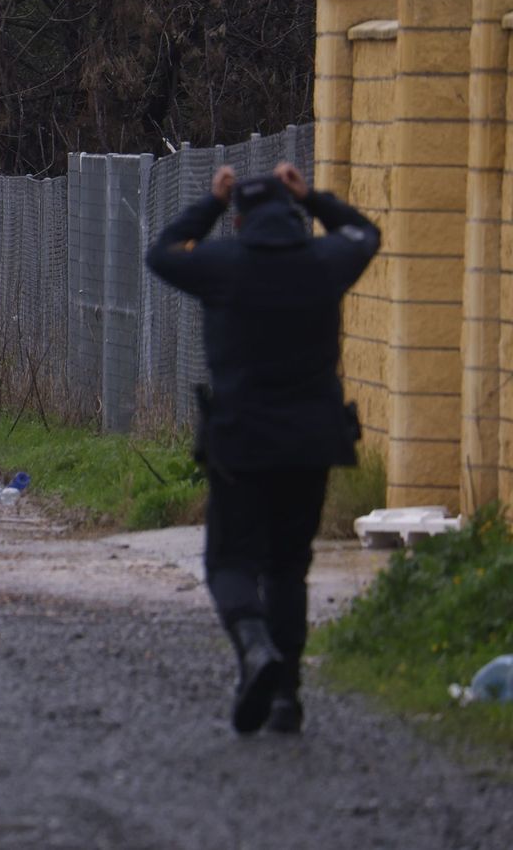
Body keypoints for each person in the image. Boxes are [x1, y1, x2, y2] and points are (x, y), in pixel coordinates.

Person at [145, 161, 380, 734]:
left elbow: (163, 250)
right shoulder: (325, 263)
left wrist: (211, 202)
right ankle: (287, 698)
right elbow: (366, 235)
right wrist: (318, 198)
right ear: (292, 211)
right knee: (287, 567)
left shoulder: (222, 265)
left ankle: (254, 649)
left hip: (241, 441)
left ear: (242, 217)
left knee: (230, 560)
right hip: (311, 441)